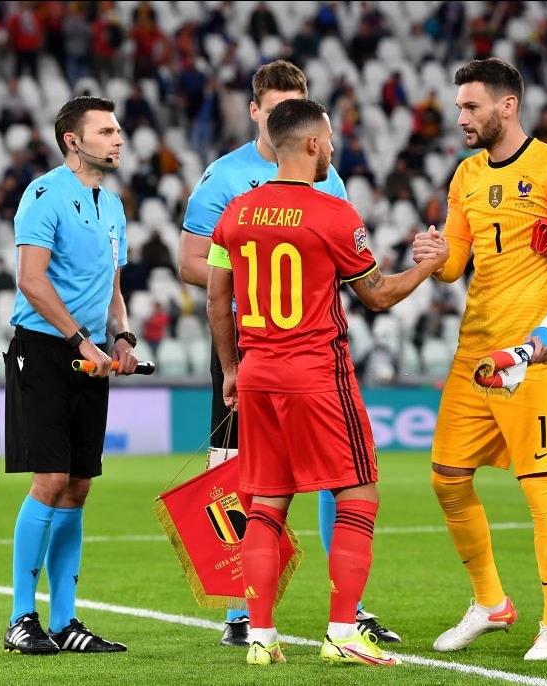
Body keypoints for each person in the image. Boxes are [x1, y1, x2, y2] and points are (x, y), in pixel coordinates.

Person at [207, 97, 448, 667]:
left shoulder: (236, 212)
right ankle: (343, 631)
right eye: (331, 140)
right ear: (313, 144)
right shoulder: (334, 214)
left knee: (266, 503)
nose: (333, 149)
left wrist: (232, 368)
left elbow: (218, 298)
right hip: (316, 371)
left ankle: (261, 637)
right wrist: (429, 266)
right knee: (358, 494)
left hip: (258, 371)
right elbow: (379, 294)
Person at [177, 58, 401, 647]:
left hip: (252, 356)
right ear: (259, 113)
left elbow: (226, 277)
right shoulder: (225, 179)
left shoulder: (266, 199)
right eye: (274, 107)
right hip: (296, 357)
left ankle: (267, 629)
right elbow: (188, 263)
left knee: (266, 496)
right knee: (292, 480)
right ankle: (258, 613)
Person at [411, 57, 547, 661]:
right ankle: (490, 601)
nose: (461, 116)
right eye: (460, 105)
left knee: (543, 488)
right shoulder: (465, 175)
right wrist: (434, 253)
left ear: (507, 105)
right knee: (446, 478)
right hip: (475, 353)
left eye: (471, 106)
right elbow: (453, 267)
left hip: (531, 357)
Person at [2, 95, 138, 655]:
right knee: (51, 481)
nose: (119, 137)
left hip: (90, 354)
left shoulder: (112, 205)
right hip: (44, 349)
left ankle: (64, 622)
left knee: (79, 487)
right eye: (105, 130)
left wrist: (122, 335)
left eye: (118, 128)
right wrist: (81, 339)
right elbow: (31, 281)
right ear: (72, 141)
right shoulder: (44, 194)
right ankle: (19, 619)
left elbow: (112, 287)